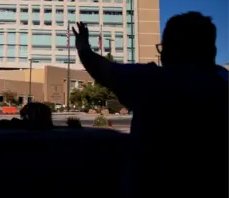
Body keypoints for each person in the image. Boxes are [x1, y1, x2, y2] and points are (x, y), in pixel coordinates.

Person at [72, 11, 228, 198]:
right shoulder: (221, 84)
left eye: (163, 48)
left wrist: (82, 47)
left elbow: (103, 70)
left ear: (172, 49)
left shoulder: (155, 82)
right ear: (212, 51)